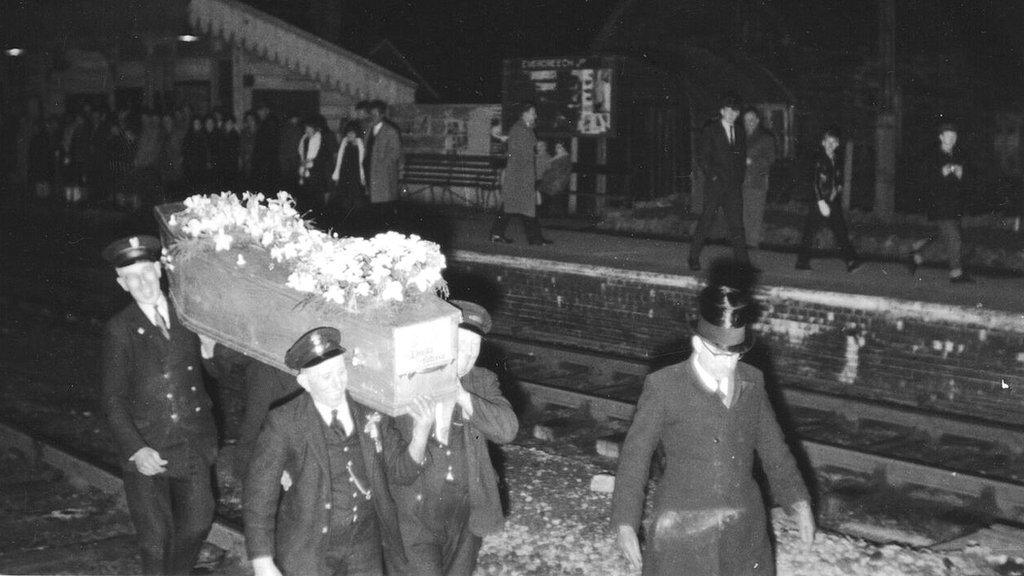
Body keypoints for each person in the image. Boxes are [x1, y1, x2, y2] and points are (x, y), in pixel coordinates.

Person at [612, 280, 815, 576]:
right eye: (720, 355)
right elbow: (635, 458)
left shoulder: (753, 381)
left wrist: (798, 501)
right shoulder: (664, 386)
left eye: (735, 355)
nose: (729, 364)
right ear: (697, 343)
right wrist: (625, 523)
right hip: (681, 532)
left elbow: (775, 449)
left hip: (744, 529)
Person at [244, 327, 407, 576]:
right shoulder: (285, 421)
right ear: (305, 382)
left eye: (340, 372)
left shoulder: (367, 409)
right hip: (309, 548)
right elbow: (259, 494)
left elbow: (399, 466)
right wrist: (262, 561)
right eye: (325, 377)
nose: (336, 383)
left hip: (364, 545)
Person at [100, 235, 219, 575]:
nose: (143, 283)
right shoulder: (120, 330)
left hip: (192, 442)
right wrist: (137, 449)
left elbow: (218, 372)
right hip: (147, 447)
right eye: (132, 278)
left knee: (197, 524)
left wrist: (211, 352)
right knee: (156, 541)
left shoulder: (187, 313)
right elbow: (113, 400)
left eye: (147, 273)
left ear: (158, 269)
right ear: (122, 284)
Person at [385, 301, 518, 576]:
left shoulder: (481, 381)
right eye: (461, 343)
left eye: (475, 346)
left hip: (466, 514)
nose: (468, 355)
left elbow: (507, 430)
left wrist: (462, 395)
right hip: (415, 515)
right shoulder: (407, 378)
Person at [689, 93, 749, 271]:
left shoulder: (739, 131)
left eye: (735, 111)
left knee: (737, 226)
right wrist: (713, 177)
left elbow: (742, 157)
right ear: (722, 111)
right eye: (729, 111)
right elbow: (703, 157)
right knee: (706, 220)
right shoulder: (711, 130)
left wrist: (740, 178)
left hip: (733, 187)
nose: (732, 115)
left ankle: (743, 263)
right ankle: (693, 257)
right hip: (716, 185)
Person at [908, 122, 973, 283]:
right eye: (948, 136)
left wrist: (960, 174)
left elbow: (965, 182)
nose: (951, 139)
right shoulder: (933, 156)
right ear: (941, 137)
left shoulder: (957, 156)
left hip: (954, 205)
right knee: (954, 238)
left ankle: (917, 255)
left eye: (954, 136)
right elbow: (924, 180)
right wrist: (941, 173)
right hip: (939, 205)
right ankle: (956, 274)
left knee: (946, 237)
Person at [795, 128, 862, 272]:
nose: (831, 145)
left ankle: (851, 261)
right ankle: (801, 262)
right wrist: (820, 202)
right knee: (810, 232)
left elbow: (837, 178)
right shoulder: (819, 159)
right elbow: (815, 182)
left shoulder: (835, 159)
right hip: (820, 201)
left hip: (832, 201)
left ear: (837, 144)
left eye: (834, 142)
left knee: (840, 231)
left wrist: (839, 187)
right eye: (828, 142)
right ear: (823, 143)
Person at [490, 102, 551, 245]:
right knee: (523, 207)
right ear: (524, 114)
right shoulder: (521, 130)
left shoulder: (524, 129)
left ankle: (499, 234)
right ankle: (534, 239)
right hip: (520, 176)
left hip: (520, 175)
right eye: (532, 112)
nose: (535, 115)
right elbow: (523, 155)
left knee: (516, 206)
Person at [741, 108, 776, 248]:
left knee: (755, 214)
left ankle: (752, 243)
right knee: (742, 213)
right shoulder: (739, 136)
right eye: (746, 120)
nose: (749, 123)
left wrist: (752, 162)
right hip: (740, 180)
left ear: (757, 120)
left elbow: (770, 159)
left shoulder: (765, 138)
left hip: (757, 180)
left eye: (751, 119)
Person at [365, 100, 403, 213]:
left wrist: (383, 164)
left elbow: (396, 152)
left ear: (382, 115)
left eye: (375, 114)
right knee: (373, 204)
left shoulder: (391, 131)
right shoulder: (368, 130)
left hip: (384, 174)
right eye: (371, 114)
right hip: (370, 171)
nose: (373, 117)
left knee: (384, 204)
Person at [296, 114, 337, 216]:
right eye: (306, 128)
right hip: (306, 175)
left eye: (309, 128)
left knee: (317, 204)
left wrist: (312, 162)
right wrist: (302, 162)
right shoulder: (304, 140)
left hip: (317, 176)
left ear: (314, 128)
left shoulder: (321, 139)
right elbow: (300, 155)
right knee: (306, 203)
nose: (307, 130)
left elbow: (325, 157)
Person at [331, 119, 367, 218]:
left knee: (356, 199)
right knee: (344, 199)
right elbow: (340, 161)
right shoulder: (345, 144)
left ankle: (358, 217)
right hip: (345, 176)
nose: (349, 136)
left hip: (356, 177)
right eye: (348, 133)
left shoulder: (360, 146)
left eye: (352, 133)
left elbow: (361, 163)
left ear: (357, 133)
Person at [536, 139, 572, 217]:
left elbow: (560, 172)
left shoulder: (563, 158)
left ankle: (548, 212)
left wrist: (548, 178)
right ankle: (545, 211)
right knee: (541, 189)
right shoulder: (557, 157)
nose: (557, 149)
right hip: (550, 180)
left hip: (557, 182)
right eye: (556, 147)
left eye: (559, 147)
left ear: (564, 148)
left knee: (544, 191)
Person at [252, 104, 280, 194]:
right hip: (265, 161)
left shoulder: (270, 123)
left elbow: (269, 144)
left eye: (261, 110)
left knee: (266, 188)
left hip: (267, 162)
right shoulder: (265, 122)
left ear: (267, 110)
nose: (259, 113)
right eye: (258, 111)